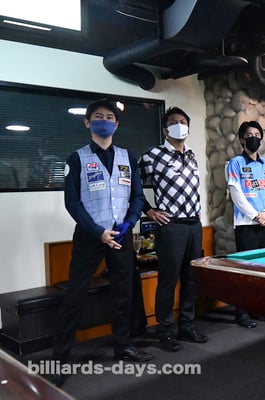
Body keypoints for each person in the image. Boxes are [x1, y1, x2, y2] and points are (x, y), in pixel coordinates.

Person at [50, 99, 152, 386]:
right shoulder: (77, 158)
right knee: (74, 297)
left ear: (116, 124)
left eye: (109, 117)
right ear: (87, 122)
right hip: (90, 236)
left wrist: (128, 225)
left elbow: (137, 197)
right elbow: (72, 202)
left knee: (123, 294)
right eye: (98, 116)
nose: (104, 121)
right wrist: (98, 232)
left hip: (121, 235)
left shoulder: (128, 157)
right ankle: (59, 359)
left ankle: (123, 346)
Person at [138, 107, 208, 352]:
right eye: (173, 122)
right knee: (168, 280)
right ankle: (165, 330)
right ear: (165, 130)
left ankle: (186, 325)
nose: (179, 125)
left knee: (191, 278)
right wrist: (149, 210)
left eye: (183, 121)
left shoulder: (191, 154)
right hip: (171, 226)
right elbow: (132, 186)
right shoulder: (152, 155)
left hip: (194, 225)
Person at [227, 121, 265, 328]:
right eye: (249, 135)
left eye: (257, 135)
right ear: (242, 139)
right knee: (245, 270)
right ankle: (242, 312)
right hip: (246, 224)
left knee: (263, 270)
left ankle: (258, 308)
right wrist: (256, 215)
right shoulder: (235, 163)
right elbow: (236, 194)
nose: (254, 138)